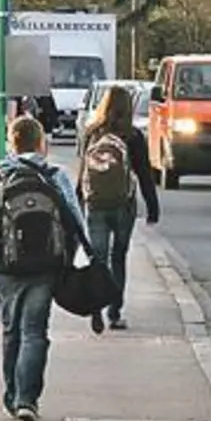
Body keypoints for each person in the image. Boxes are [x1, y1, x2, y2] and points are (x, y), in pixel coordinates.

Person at [0, 115, 90, 421]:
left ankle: (12, 397)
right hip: (46, 267)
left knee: (11, 331)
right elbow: (76, 222)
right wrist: (69, 259)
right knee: (35, 331)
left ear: (12, 143)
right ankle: (28, 399)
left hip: (8, 268)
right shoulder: (55, 176)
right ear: (42, 143)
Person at [76, 86, 161, 333]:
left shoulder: (92, 133)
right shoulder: (132, 136)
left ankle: (95, 308)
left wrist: (77, 201)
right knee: (118, 257)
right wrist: (153, 207)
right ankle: (115, 312)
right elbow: (144, 174)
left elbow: (84, 171)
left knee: (98, 258)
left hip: (95, 204)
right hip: (123, 205)